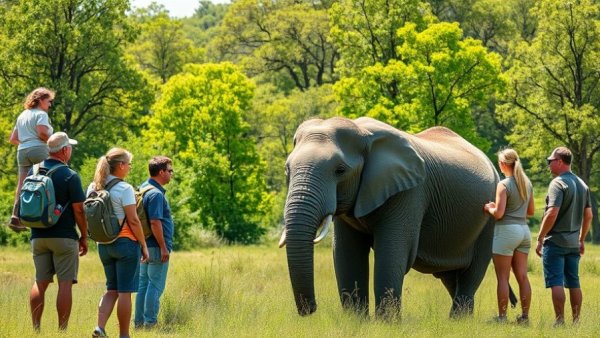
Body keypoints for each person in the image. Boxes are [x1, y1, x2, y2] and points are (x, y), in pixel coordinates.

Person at [29, 132, 87, 331]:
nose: (70, 150)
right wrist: (84, 236)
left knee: (40, 282)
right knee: (65, 283)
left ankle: (36, 329)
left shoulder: (33, 170)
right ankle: (62, 331)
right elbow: (79, 210)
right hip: (63, 237)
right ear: (64, 150)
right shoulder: (69, 175)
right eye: (69, 147)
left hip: (37, 236)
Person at [88, 148, 149, 338]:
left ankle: (100, 327)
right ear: (121, 165)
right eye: (129, 164)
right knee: (125, 292)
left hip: (104, 245)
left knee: (111, 289)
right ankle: (124, 335)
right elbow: (133, 220)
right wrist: (144, 245)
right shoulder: (124, 188)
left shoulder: (93, 187)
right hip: (126, 245)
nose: (129, 168)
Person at [535, 147, 592, 326]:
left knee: (556, 281)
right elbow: (588, 215)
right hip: (574, 244)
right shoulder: (583, 185)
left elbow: (552, 213)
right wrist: (581, 239)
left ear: (560, 161)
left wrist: (540, 237)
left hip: (555, 242)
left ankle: (560, 321)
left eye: (550, 161)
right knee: (574, 282)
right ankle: (576, 323)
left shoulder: (557, 183)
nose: (549, 164)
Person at [484, 148, 535, 324]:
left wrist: (489, 208)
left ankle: (502, 318)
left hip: (507, 232)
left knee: (503, 278)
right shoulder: (527, 183)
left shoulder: (504, 184)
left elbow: (498, 214)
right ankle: (525, 317)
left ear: (503, 164)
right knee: (522, 276)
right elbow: (531, 211)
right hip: (524, 232)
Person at [134, 156, 175, 328]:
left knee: (143, 284)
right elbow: (155, 222)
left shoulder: (142, 189)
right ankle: (150, 323)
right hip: (156, 247)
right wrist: (163, 247)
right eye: (170, 170)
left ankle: (138, 323)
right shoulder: (156, 194)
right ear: (161, 172)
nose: (171, 174)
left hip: (143, 246)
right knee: (155, 284)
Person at [7, 87, 55, 232]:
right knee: (50, 179)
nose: (50, 105)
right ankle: (44, 213)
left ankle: (16, 216)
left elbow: (13, 139)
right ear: (40, 100)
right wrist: (53, 142)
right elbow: (41, 133)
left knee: (22, 184)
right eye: (49, 101)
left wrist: (27, 143)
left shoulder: (22, 115)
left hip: (22, 151)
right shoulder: (41, 114)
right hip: (39, 149)